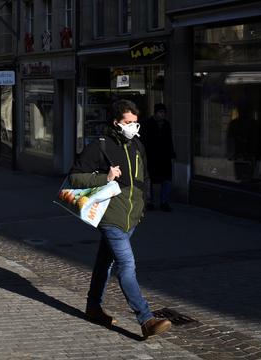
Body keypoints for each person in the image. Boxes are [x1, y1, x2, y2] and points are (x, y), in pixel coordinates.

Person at [69, 99, 172, 339]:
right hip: (111, 217)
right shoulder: (100, 146)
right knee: (126, 265)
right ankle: (146, 319)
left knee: (104, 262)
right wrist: (104, 178)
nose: (133, 127)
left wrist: (143, 207)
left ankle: (93, 307)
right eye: (128, 122)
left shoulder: (137, 145)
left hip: (132, 218)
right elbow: (74, 177)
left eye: (135, 123)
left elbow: (142, 180)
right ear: (116, 123)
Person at [140, 103, 176, 212]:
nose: (162, 115)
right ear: (155, 113)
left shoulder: (166, 124)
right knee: (150, 178)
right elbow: (144, 140)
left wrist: (172, 154)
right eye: (160, 112)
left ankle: (164, 202)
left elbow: (169, 140)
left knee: (167, 179)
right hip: (152, 156)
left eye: (164, 113)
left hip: (164, 157)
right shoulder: (147, 123)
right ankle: (149, 201)